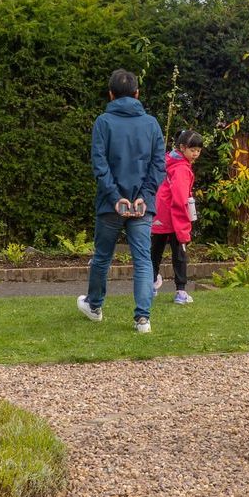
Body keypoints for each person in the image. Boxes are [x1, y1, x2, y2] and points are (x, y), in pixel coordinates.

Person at [78, 69, 166, 334]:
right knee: (142, 260)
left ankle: (94, 306)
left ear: (111, 94)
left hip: (110, 205)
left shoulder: (103, 122)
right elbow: (158, 165)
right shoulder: (151, 124)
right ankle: (143, 319)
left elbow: (99, 164)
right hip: (142, 206)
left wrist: (116, 198)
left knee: (103, 257)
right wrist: (144, 196)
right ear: (137, 94)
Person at [150, 129, 204, 305]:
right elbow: (181, 199)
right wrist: (184, 225)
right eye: (192, 150)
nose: (195, 154)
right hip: (174, 217)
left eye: (198, 150)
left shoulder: (169, 161)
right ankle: (181, 292)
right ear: (182, 147)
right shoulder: (181, 168)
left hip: (160, 214)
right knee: (179, 253)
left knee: (155, 252)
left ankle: (150, 286)